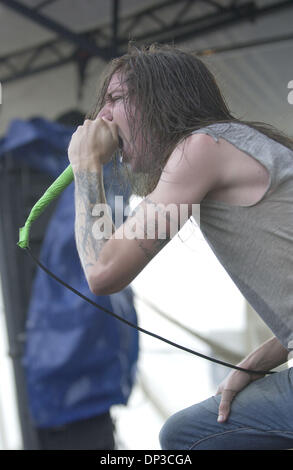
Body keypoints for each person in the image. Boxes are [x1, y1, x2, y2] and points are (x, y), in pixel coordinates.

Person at [67, 43, 293, 450]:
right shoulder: (235, 143)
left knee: (186, 435)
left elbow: (103, 272)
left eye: (117, 98)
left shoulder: (200, 148)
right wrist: (258, 360)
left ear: (161, 100)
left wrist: (86, 167)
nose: (102, 115)